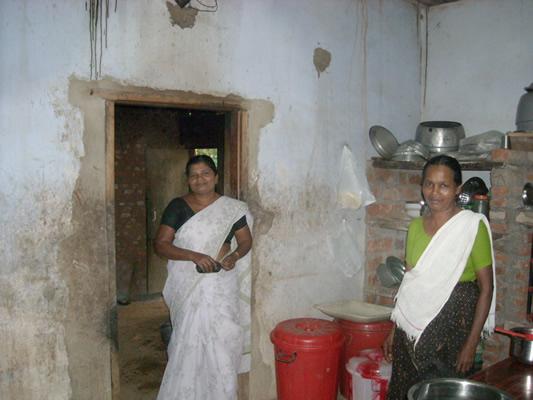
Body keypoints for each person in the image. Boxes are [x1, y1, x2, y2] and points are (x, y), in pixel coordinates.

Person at [383, 155, 495, 400]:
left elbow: (487, 289)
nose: (434, 192)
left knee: (440, 391)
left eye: (443, 185)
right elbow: (410, 285)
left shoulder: (471, 226)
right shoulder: (414, 227)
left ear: (457, 189)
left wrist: (472, 343)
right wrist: (395, 329)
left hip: (453, 327)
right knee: (404, 390)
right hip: (411, 328)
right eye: (429, 184)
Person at [154, 155, 253, 400]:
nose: (200, 179)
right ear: (188, 180)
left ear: (216, 176)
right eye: (194, 175)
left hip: (221, 285)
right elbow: (161, 245)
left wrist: (235, 256)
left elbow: (245, 240)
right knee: (189, 342)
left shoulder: (231, 209)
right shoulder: (177, 207)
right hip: (189, 285)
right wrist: (193, 256)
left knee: (221, 342)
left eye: (206, 173)